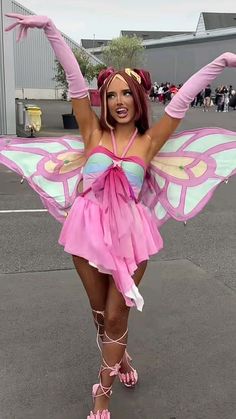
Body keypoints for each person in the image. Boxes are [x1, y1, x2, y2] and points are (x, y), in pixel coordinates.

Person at [2, 13, 236, 419]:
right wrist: (51, 30)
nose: (119, 102)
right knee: (98, 314)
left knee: (116, 312)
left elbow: (181, 102)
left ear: (138, 99)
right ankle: (122, 358)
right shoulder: (92, 132)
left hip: (131, 235)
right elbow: (76, 82)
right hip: (87, 232)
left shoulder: (150, 142)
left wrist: (222, 61)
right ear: (104, 101)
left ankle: (102, 393)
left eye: (126, 94)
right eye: (111, 95)